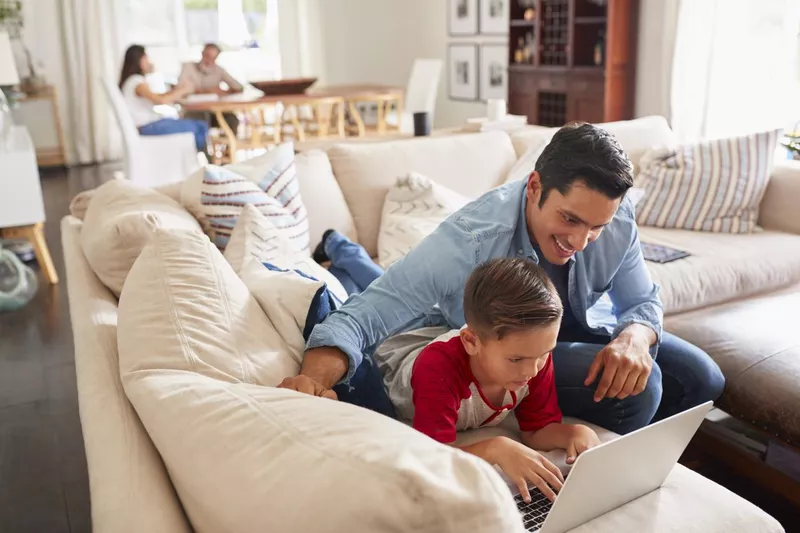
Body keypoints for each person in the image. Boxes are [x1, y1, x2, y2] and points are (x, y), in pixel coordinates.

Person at [281, 123, 726, 435]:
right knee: (640, 391)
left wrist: (633, 336)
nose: (581, 240)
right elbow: (366, 314)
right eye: (569, 218)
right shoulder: (469, 240)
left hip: (575, 333)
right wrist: (314, 381)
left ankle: (344, 251)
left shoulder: (616, 216)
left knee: (703, 379)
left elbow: (643, 302)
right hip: (519, 339)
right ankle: (341, 250)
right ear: (533, 187)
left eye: (596, 227)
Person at [387, 258, 600, 503]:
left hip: (444, 332)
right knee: (366, 287)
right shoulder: (437, 368)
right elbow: (434, 457)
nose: (532, 371)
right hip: (399, 342)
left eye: (544, 354)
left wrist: (573, 433)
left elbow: (536, 430)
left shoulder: (534, 356)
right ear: (471, 342)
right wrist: (495, 448)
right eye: (516, 359)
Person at [118, 44, 209, 152]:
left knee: (197, 125)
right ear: (139, 61)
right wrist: (184, 90)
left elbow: (157, 97)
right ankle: (193, 160)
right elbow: (161, 101)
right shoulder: (137, 82)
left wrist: (175, 91)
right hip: (148, 127)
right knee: (200, 126)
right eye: (146, 58)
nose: (149, 62)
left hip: (149, 125)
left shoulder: (132, 81)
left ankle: (190, 159)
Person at [179, 43, 243, 135]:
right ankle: (202, 149)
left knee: (232, 119)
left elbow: (239, 88)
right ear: (202, 53)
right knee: (201, 120)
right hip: (192, 111)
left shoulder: (219, 70)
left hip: (214, 112)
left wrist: (223, 92)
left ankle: (228, 148)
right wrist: (207, 91)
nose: (209, 61)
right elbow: (180, 90)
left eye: (213, 58)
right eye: (207, 56)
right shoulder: (188, 67)